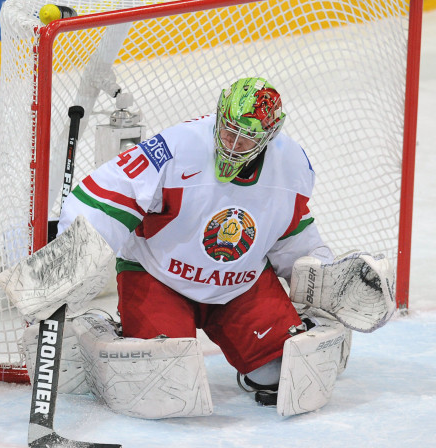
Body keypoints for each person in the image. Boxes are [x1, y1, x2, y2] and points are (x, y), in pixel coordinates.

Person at [56, 76, 339, 413]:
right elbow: (110, 193)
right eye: (228, 130)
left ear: (268, 138)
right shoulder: (178, 147)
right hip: (159, 276)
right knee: (164, 381)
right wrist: (67, 257)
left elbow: (289, 231)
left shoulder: (292, 165)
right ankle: (100, 334)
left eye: (246, 139)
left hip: (239, 284)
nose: (232, 144)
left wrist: (323, 277)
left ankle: (260, 356)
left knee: (283, 372)